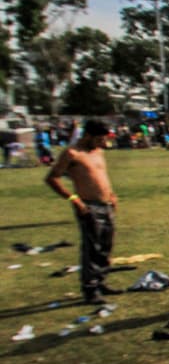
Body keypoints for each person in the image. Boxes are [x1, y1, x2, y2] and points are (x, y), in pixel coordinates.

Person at [44, 120, 119, 305]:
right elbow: (52, 178)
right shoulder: (72, 153)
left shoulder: (98, 152)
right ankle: (90, 289)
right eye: (99, 139)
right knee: (92, 247)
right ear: (87, 136)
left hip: (106, 205)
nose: (103, 143)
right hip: (88, 206)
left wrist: (111, 194)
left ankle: (101, 281)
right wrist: (74, 199)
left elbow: (100, 176)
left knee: (106, 245)